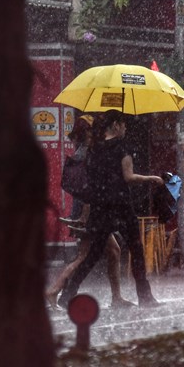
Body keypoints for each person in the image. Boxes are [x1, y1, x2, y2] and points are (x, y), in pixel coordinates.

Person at [58, 110, 163, 309]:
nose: (126, 128)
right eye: (123, 124)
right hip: (121, 205)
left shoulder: (94, 149)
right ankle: (145, 296)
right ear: (115, 125)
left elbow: (91, 177)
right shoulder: (123, 148)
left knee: (93, 254)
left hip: (100, 206)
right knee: (136, 248)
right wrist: (151, 178)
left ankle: (68, 293)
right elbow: (128, 177)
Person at [47, 114, 134, 310]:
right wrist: (86, 216)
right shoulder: (89, 153)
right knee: (84, 255)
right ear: (89, 132)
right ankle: (54, 290)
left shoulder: (82, 151)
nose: (100, 132)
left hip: (89, 208)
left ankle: (116, 298)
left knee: (113, 251)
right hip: (90, 209)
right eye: (95, 129)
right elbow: (91, 188)